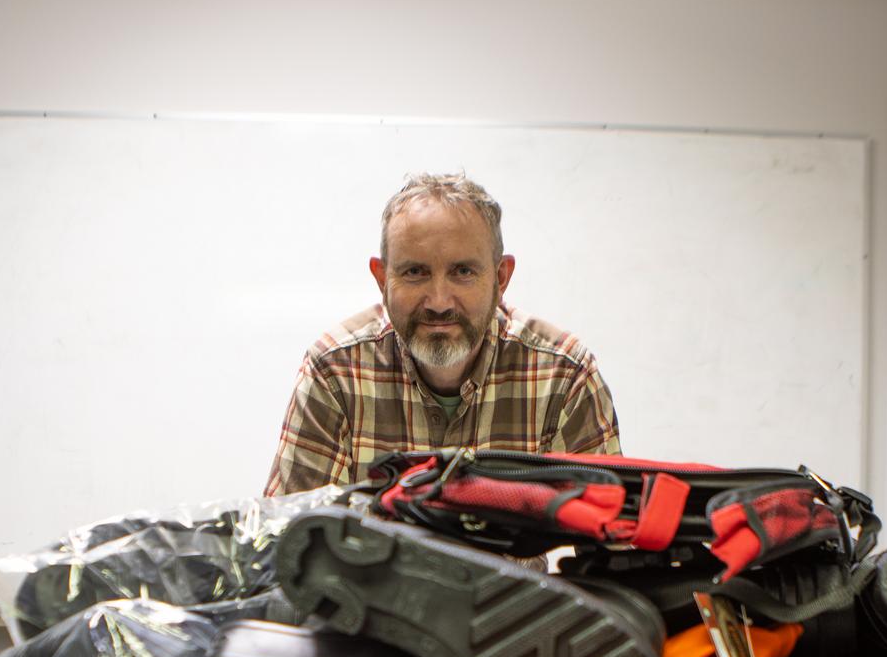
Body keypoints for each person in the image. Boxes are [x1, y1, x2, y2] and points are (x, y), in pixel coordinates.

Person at [265, 172, 622, 496]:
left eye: (463, 272)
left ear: (500, 279)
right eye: (415, 272)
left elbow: (614, 542)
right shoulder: (335, 371)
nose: (438, 302)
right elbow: (287, 540)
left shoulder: (563, 375)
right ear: (381, 278)